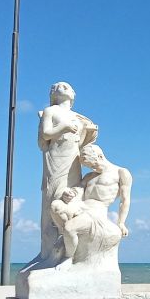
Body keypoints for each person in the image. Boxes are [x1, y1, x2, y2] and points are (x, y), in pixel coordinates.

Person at [37, 82, 97, 261]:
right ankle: (49, 251)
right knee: (54, 197)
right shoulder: (50, 111)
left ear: (73, 94)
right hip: (56, 160)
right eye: (57, 86)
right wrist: (63, 128)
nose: (62, 86)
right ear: (53, 94)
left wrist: (88, 131)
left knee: (73, 197)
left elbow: (81, 143)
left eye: (66, 86)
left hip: (73, 161)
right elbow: (46, 134)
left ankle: (70, 245)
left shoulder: (78, 117)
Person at [50, 144, 132, 264]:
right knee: (55, 205)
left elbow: (125, 200)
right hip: (80, 205)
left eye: (93, 165)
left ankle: (68, 258)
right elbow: (78, 190)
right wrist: (68, 194)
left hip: (97, 209)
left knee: (69, 228)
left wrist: (121, 222)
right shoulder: (89, 176)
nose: (92, 168)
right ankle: (65, 236)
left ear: (100, 156)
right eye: (89, 166)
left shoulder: (121, 172)